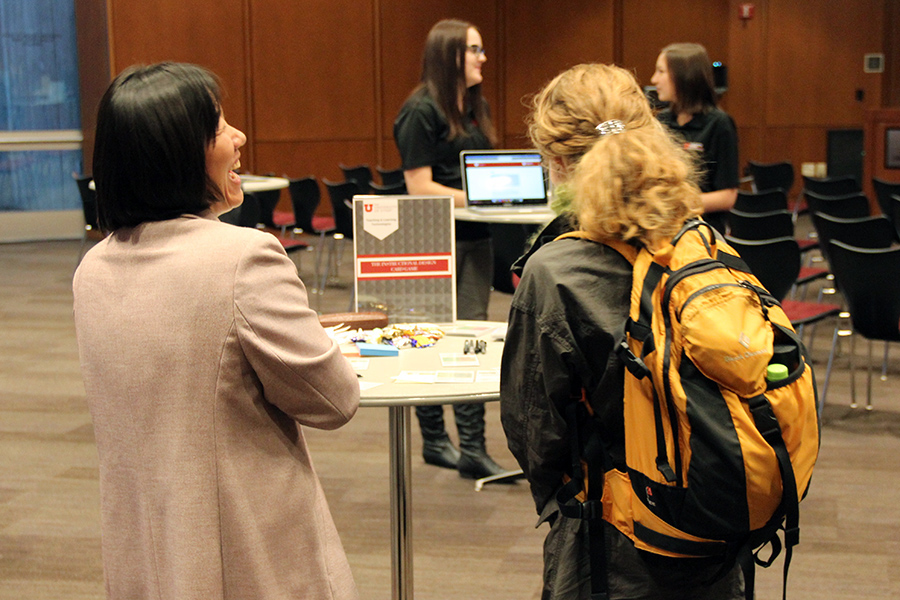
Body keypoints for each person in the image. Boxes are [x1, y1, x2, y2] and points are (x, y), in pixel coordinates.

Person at [73, 62, 360, 600]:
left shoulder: (92, 270)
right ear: (178, 155)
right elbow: (334, 401)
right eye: (220, 128)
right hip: (247, 555)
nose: (239, 137)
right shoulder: (242, 257)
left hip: (150, 549)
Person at [500, 63, 744, 599]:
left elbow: (533, 431)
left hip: (612, 547)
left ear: (557, 162)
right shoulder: (701, 242)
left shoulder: (556, 271)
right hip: (721, 535)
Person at [393, 19, 506, 479]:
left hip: (476, 238)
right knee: (431, 337)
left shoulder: (474, 106)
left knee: (471, 340)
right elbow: (418, 186)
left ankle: (474, 447)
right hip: (431, 242)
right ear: (449, 56)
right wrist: (479, 199)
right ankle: (437, 441)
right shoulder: (420, 110)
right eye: (474, 50)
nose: (483, 57)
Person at [651, 42, 739, 234]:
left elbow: (727, 197)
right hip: (663, 230)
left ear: (683, 77)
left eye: (660, 71)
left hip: (703, 232)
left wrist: (674, 204)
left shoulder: (719, 124)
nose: (654, 79)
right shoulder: (661, 121)